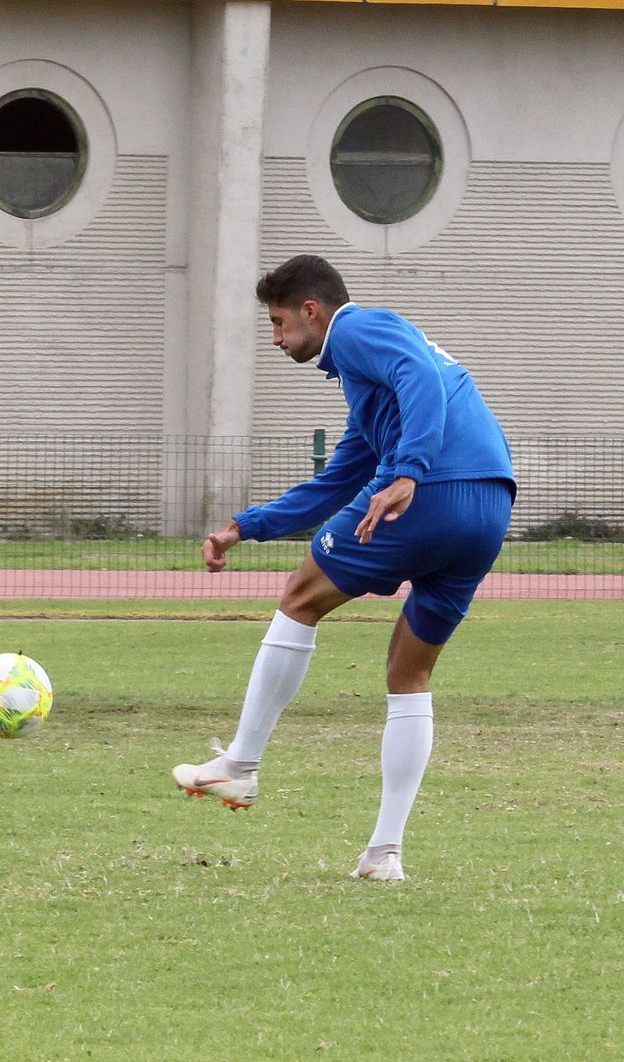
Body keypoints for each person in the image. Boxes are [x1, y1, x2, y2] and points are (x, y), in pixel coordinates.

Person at [172, 255, 514, 881]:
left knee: (302, 597)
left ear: (312, 311)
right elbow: (338, 480)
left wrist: (409, 469)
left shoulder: (355, 328)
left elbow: (420, 378)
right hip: (490, 504)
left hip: (434, 488)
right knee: (409, 673)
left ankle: (240, 766)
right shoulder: (366, 389)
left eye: (278, 323)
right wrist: (245, 526)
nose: (275, 339)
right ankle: (385, 854)